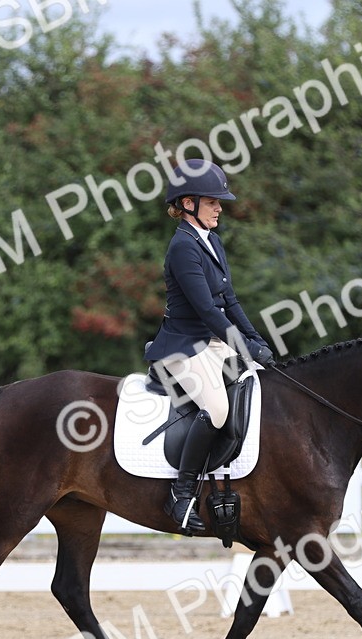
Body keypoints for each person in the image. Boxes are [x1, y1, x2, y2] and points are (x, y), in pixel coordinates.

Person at [144, 159, 276, 531]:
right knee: (217, 408)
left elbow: (229, 301)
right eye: (212, 201)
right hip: (183, 347)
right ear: (188, 204)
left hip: (214, 342)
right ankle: (181, 496)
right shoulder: (182, 248)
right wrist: (244, 347)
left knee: (261, 383)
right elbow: (205, 310)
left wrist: (254, 339)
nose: (220, 207)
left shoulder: (211, 241)